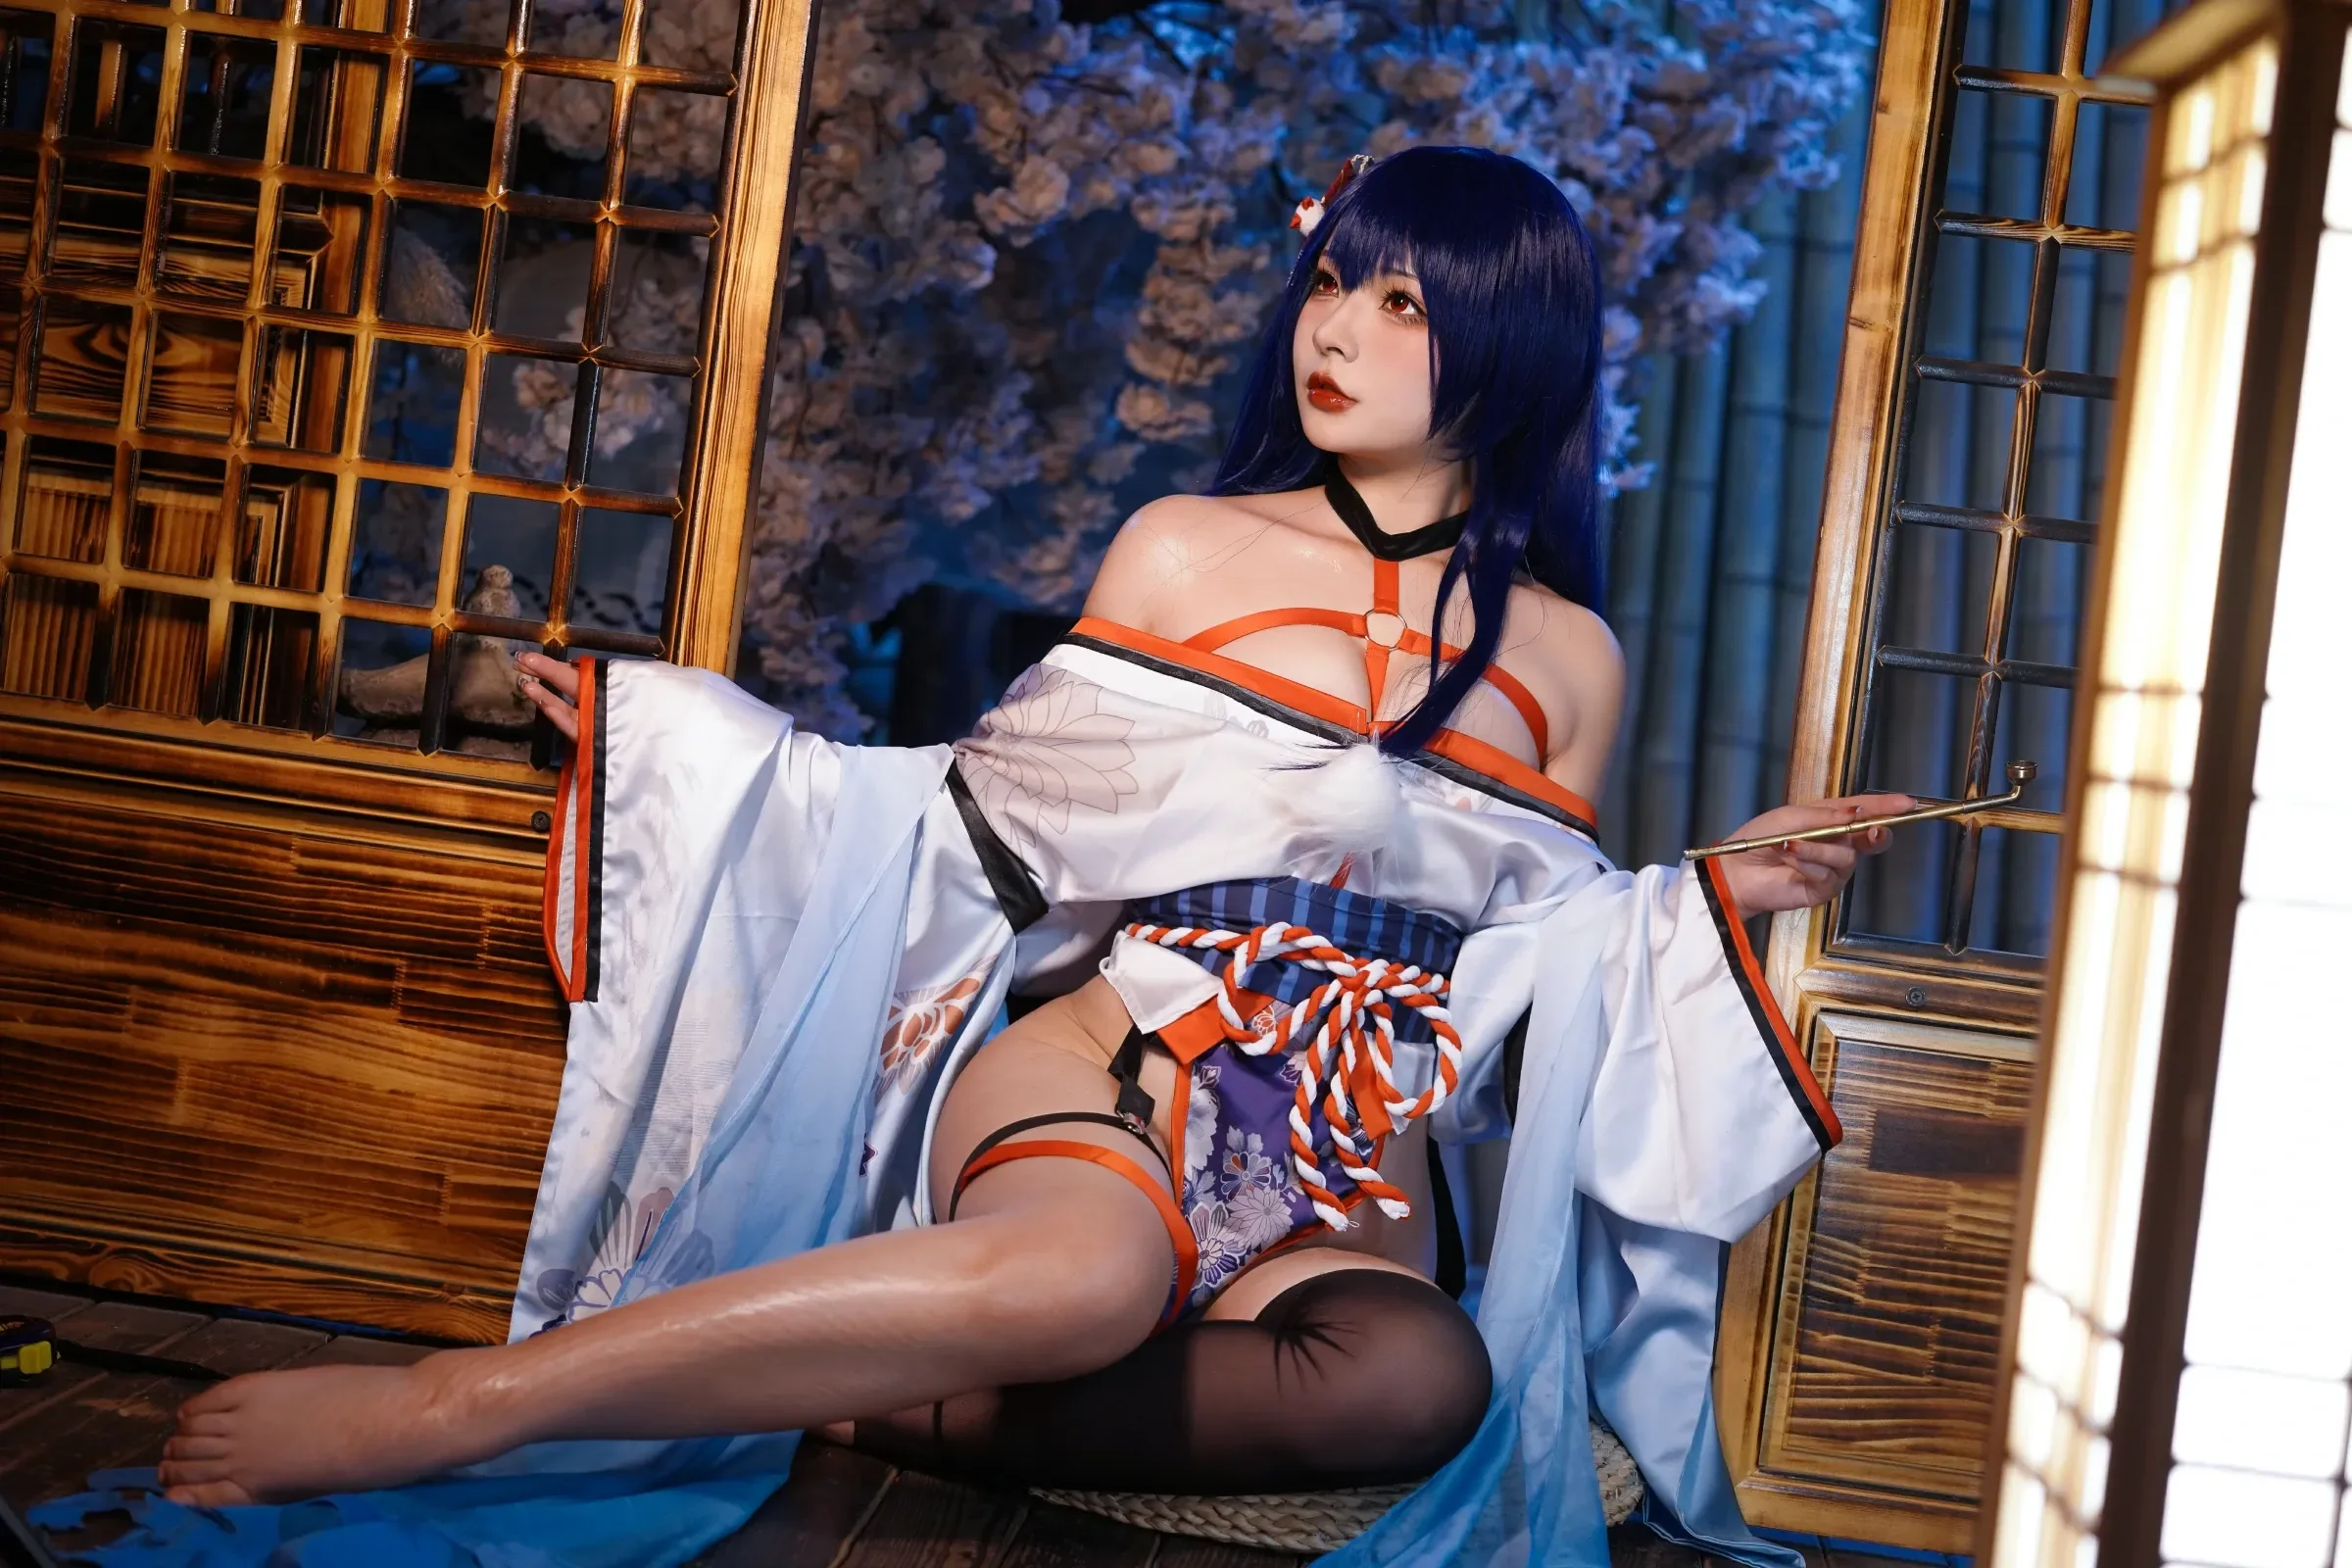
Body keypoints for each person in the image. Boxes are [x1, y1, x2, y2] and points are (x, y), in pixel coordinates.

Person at [105, 146, 1901, 1566]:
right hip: (1119, 1073)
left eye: (1401, 299)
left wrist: (1708, 894)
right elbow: (979, 818)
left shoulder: (1572, 658)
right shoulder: (1187, 550)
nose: (1336, 329)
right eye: (1329, 281)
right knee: (1087, 1283)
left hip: (1349, 1157)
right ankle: (464, 1408)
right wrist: (691, 741)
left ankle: (844, 1393)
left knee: (1422, 1377)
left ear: (1512, 340)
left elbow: (1534, 963)